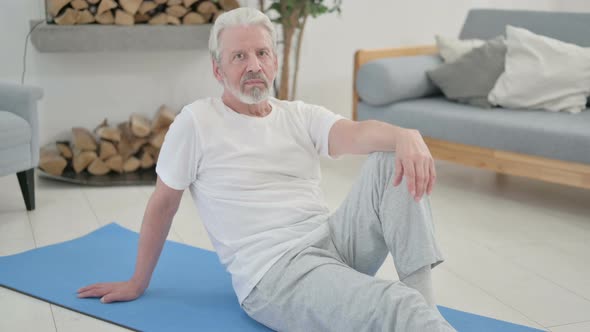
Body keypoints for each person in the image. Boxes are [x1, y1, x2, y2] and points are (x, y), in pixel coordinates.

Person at [77, 7, 455, 332]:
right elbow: (163, 204)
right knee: (396, 304)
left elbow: (358, 134)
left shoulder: (299, 115)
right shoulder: (196, 122)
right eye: (238, 56)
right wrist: (137, 282)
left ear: (274, 60)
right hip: (277, 274)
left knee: (390, 154)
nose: (254, 65)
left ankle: (426, 307)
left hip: (333, 243)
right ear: (217, 69)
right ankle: (416, 314)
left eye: (261, 53)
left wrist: (405, 135)